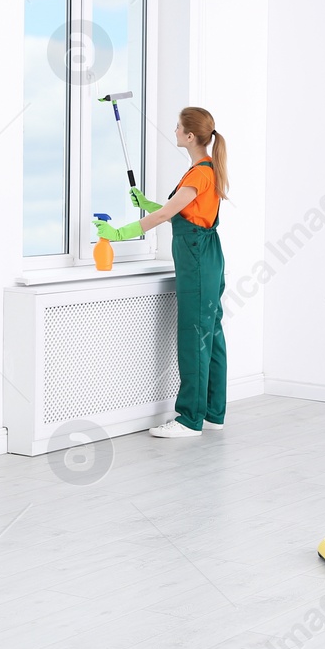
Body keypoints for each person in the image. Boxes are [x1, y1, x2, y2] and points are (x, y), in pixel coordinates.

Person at [94, 107, 228, 438]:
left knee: (194, 335)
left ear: (190, 136)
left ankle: (189, 420)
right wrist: (149, 203)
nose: (175, 130)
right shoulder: (204, 170)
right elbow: (183, 212)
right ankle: (212, 412)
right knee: (211, 334)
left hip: (196, 259)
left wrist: (118, 234)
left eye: (179, 127)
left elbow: (166, 215)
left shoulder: (199, 173)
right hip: (207, 257)